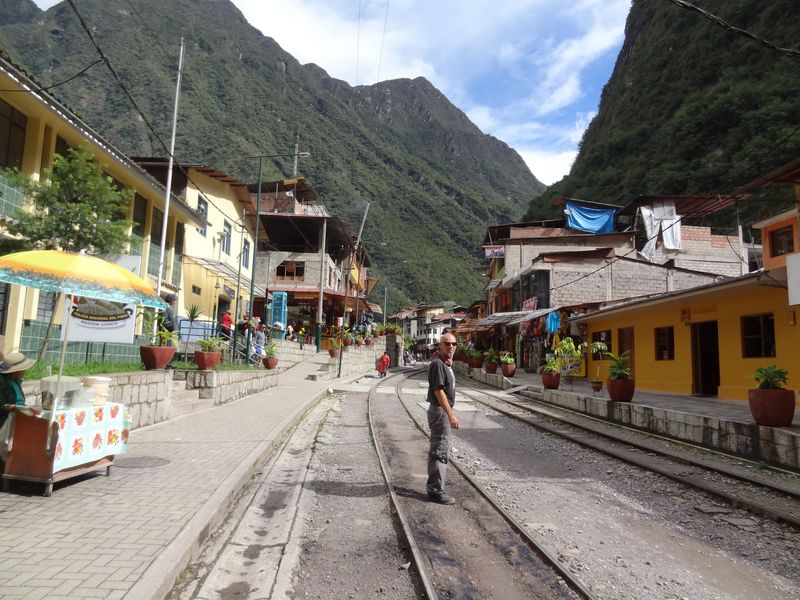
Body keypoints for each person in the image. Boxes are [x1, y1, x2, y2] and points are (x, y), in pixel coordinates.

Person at [426, 332, 459, 505]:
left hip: (440, 411)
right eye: (447, 344)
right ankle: (436, 490)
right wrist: (450, 414)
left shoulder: (445, 364)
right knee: (440, 449)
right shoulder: (438, 364)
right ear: (440, 345)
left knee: (438, 447)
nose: (451, 347)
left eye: (454, 344)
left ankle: (434, 487)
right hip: (440, 412)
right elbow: (439, 391)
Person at [0, 351, 35, 429]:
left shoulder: (15, 381)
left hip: (18, 418)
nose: (25, 371)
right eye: (24, 369)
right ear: (16, 371)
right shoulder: (2, 384)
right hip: (5, 423)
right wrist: (11, 408)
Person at [162, 294, 177, 368]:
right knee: (167, 348)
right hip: (166, 332)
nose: (174, 302)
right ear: (171, 300)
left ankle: (168, 364)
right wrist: (172, 327)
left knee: (169, 347)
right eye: (174, 300)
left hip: (168, 332)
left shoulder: (168, 308)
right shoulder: (165, 308)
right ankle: (166, 364)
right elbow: (165, 321)